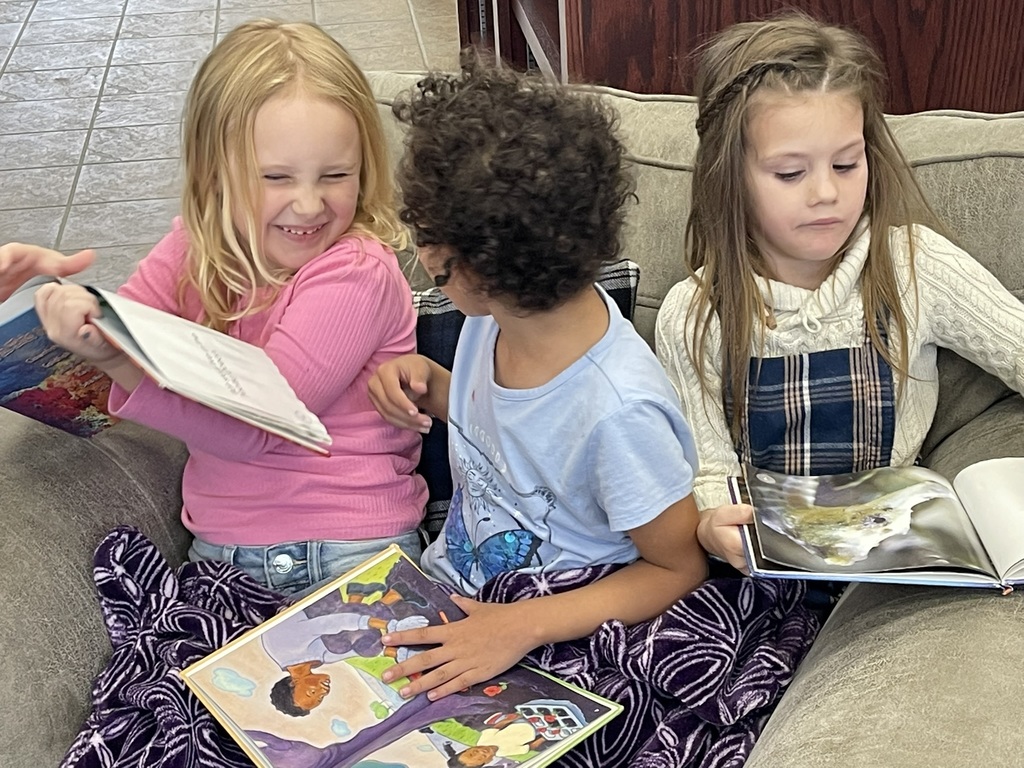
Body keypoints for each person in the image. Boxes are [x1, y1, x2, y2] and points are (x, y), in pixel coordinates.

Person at [0, 19, 427, 595]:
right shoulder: (194, 248)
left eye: (335, 176)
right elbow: (112, 379)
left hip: (347, 553)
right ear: (215, 172)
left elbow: (259, 430)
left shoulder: (356, 269)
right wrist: (38, 314)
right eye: (275, 177)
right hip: (219, 554)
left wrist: (115, 359)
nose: (308, 204)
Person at [366, 54, 708, 709]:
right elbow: (505, 426)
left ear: (472, 270)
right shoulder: (495, 318)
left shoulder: (620, 413)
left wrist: (519, 626)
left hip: (553, 638)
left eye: (428, 242)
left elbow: (679, 567)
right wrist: (428, 385)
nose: (415, 244)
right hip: (454, 602)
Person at [654, 12, 1024, 576]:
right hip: (768, 570)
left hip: (893, 558)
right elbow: (708, 471)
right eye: (789, 174)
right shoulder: (694, 313)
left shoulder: (914, 266)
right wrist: (712, 523)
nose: (827, 193)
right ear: (727, 175)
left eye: (847, 164)